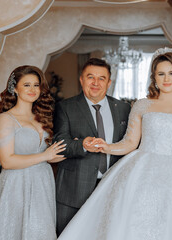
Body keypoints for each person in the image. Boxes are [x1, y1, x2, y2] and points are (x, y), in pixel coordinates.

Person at [58, 48, 172, 240]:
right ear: (154, 77)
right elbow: (130, 142)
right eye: (161, 73)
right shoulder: (142, 105)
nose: (166, 79)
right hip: (140, 170)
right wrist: (107, 147)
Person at [0, 65, 66, 240]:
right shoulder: (6, 119)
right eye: (26, 85)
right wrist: (45, 156)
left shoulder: (42, 117)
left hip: (42, 182)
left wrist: (62, 151)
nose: (32, 89)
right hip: (17, 184)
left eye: (36, 85)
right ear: (15, 88)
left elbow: (46, 152)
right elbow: (7, 161)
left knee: (40, 230)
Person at [53, 58, 131, 234]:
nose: (96, 83)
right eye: (90, 77)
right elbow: (60, 144)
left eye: (102, 78)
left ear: (109, 82)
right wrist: (82, 145)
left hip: (112, 189)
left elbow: (129, 145)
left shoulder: (124, 108)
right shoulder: (65, 107)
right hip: (73, 192)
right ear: (81, 79)